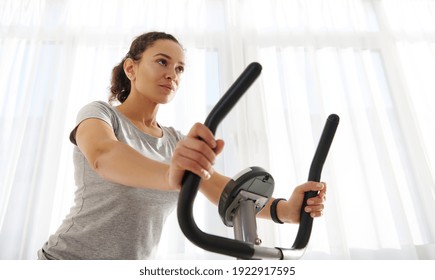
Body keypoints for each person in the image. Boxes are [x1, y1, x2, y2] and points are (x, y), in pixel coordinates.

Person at [37, 31, 326, 260]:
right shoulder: (101, 114)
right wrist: (168, 174)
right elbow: (104, 156)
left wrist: (284, 210)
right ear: (131, 68)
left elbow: (223, 190)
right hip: (67, 260)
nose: (172, 74)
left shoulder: (176, 141)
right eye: (162, 62)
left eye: (179, 69)